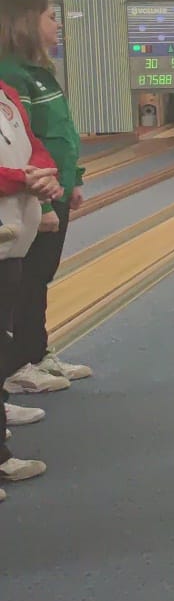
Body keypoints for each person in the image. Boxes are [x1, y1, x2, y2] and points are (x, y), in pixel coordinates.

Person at [0, 0, 92, 396]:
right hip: (31, 195)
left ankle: (35, 354)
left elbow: (57, 133)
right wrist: (42, 201)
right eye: (51, 17)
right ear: (26, 23)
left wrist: (74, 179)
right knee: (26, 279)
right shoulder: (11, 74)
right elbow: (20, 143)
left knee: (39, 276)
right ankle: (19, 364)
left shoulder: (39, 73)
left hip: (54, 188)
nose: (58, 24)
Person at [0, 72, 61, 492]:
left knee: (7, 340)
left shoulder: (6, 93)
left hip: (13, 240)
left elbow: (32, 144)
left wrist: (43, 174)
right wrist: (24, 179)